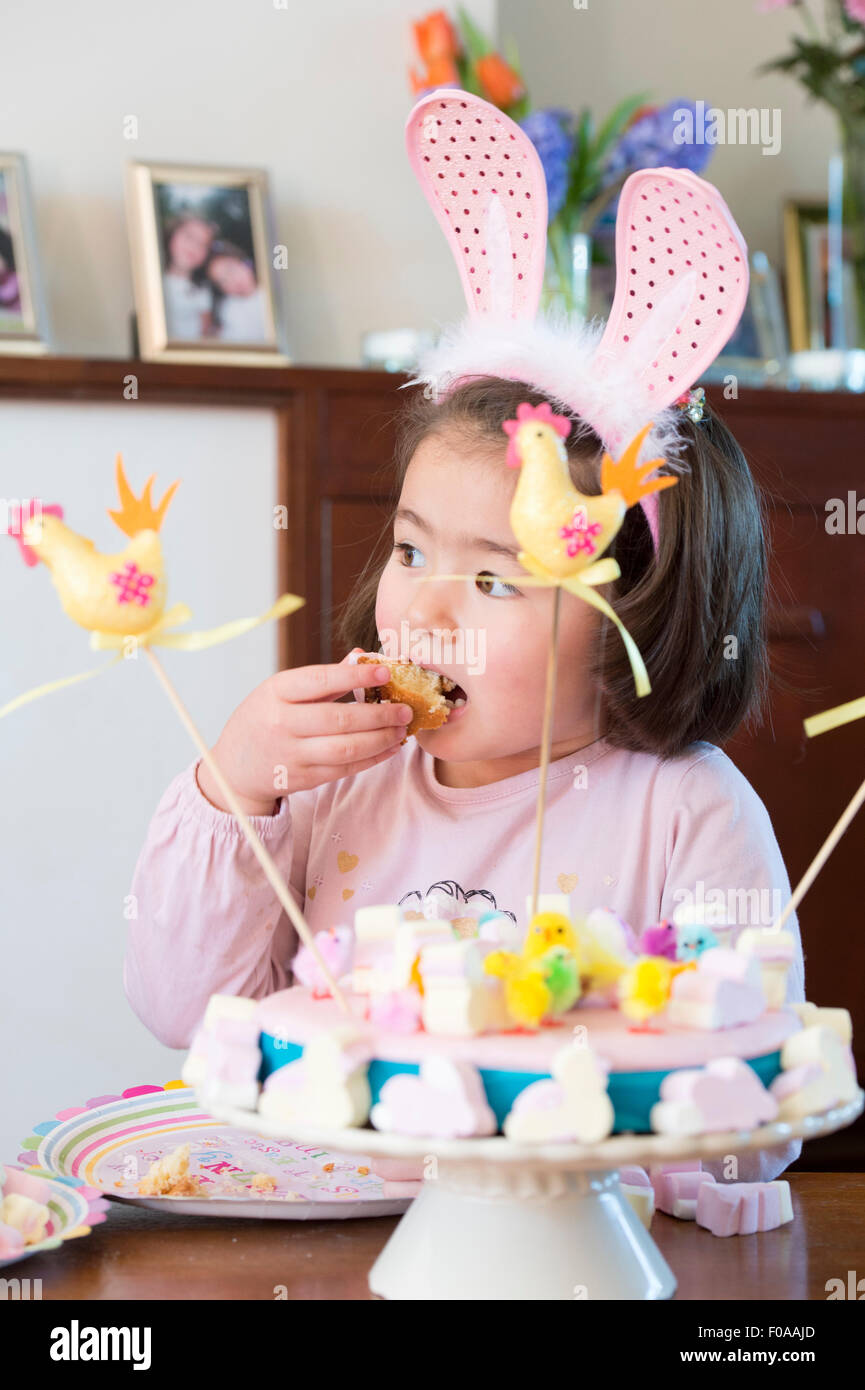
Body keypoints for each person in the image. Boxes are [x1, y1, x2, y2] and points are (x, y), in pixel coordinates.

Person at [125, 372, 805, 1184]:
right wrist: (234, 788)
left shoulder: (690, 811)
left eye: (492, 581)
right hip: (334, 1237)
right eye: (411, 551)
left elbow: (749, 1124)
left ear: (639, 618)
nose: (421, 612)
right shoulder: (331, 778)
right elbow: (188, 1014)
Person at [161, 214, 215, 340]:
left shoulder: (201, 289)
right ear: (172, 235)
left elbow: (206, 328)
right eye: (189, 237)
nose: (194, 247)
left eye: (203, 244)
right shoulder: (154, 281)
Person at [205, 240, 268, 342]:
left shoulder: (271, 289)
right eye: (223, 281)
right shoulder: (228, 309)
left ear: (244, 262)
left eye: (230, 270)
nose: (231, 281)